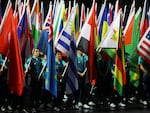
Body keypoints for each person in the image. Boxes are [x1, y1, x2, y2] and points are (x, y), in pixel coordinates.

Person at [24, 48, 44, 113]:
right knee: (31, 94)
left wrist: (41, 76)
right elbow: (26, 65)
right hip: (32, 79)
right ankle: (30, 107)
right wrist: (27, 67)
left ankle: (36, 107)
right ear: (33, 52)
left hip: (39, 79)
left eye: (38, 51)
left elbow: (42, 68)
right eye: (36, 51)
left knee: (38, 93)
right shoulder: (30, 59)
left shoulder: (40, 60)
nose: (38, 52)